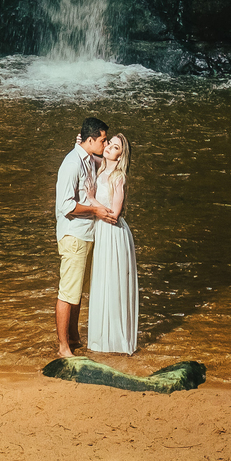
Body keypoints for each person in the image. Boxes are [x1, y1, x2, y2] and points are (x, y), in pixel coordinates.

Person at [54, 116, 116, 357]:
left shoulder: (88, 158)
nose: (105, 143)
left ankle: (73, 337)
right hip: (74, 234)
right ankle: (63, 348)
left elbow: (108, 161)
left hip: (85, 234)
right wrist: (95, 211)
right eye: (103, 140)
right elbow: (66, 206)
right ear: (90, 140)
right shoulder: (72, 164)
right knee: (67, 292)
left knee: (77, 291)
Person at [84, 132, 138, 354]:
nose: (108, 147)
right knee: (101, 281)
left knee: (113, 282)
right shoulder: (101, 168)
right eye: (109, 143)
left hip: (113, 233)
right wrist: (82, 142)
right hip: (101, 231)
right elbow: (89, 155)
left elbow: (114, 215)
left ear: (121, 155)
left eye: (115, 147)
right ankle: (100, 340)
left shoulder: (118, 177)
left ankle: (116, 341)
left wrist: (92, 200)